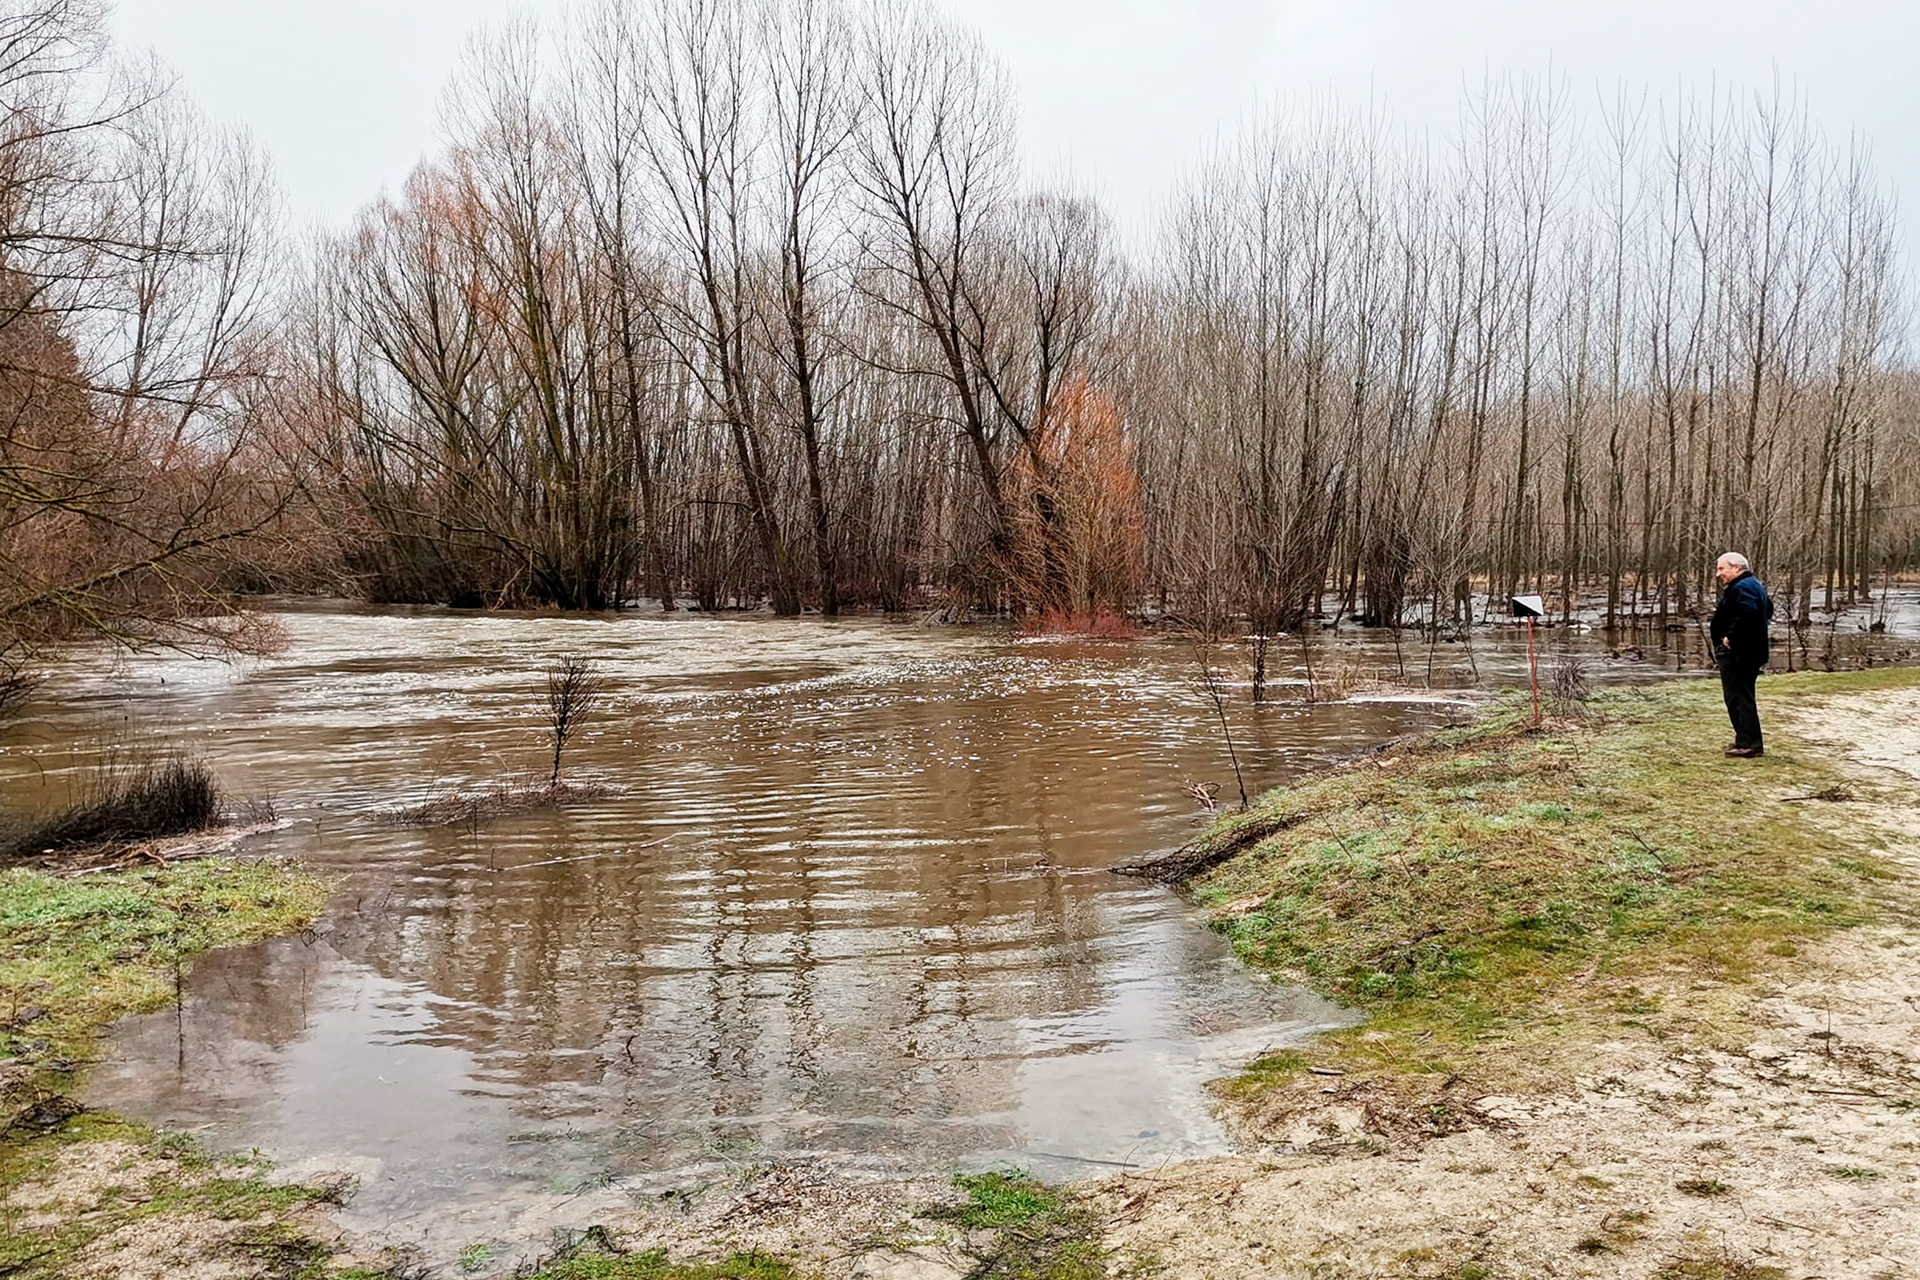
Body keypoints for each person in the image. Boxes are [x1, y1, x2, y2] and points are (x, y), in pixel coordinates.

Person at [1709, 552, 1773, 758]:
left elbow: (1750, 611)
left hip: (1740, 653)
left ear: (1736, 568)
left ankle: (1750, 744)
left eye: (1721, 568)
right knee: (1739, 697)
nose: (1718, 574)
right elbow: (1768, 609)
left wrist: (1730, 637)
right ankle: (1744, 738)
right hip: (1746, 652)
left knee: (1740, 698)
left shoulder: (1744, 587)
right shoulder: (1752, 585)